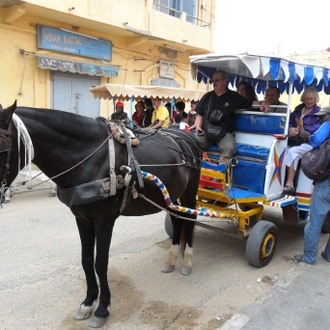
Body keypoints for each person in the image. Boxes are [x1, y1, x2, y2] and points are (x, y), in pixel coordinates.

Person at [194, 69, 269, 162]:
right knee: (192, 143)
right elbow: (200, 113)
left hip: (224, 134)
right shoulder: (207, 96)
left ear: (225, 81)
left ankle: (220, 173)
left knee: (229, 147)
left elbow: (250, 103)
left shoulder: (233, 97)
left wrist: (262, 102)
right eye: (213, 80)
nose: (214, 83)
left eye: (217, 80)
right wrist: (198, 127)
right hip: (207, 132)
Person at [292, 106, 330, 264]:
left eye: (322, 118)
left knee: (315, 223)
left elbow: (315, 140)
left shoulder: (328, 124)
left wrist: (303, 134)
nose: (320, 120)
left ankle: (308, 257)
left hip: (327, 183)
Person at [283, 87, 321, 194]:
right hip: (295, 141)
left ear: (315, 99)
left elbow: (317, 128)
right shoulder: (298, 111)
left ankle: (289, 183)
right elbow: (289, 122)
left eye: (311, 99)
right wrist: (290, 129)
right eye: (306, 99)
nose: (309, 101)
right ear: (303, 99)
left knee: (292, 152)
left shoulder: (319, 113)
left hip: (310, 143)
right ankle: (278, 182)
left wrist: (301, 131)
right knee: (281, 150)